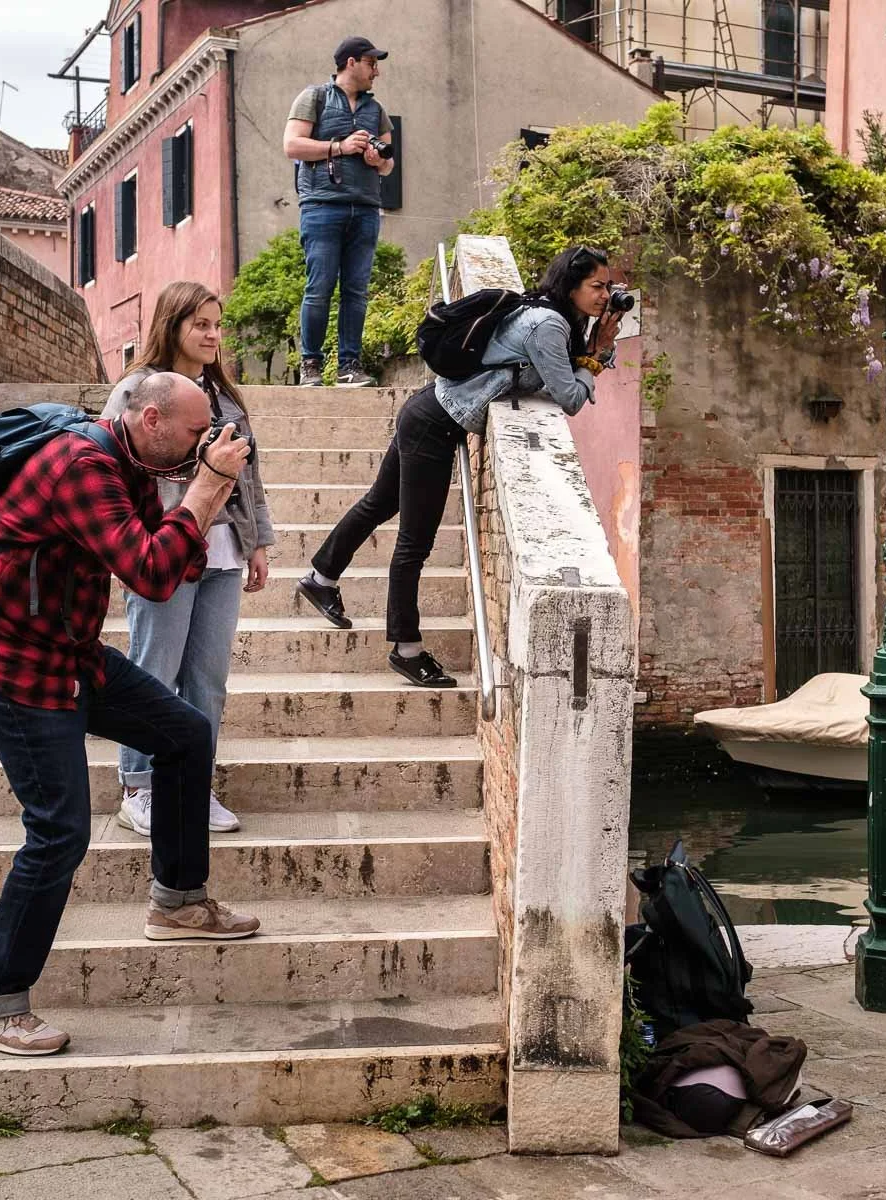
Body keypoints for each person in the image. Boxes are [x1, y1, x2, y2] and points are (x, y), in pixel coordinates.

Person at [0, 370, 259, 1058]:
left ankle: (178, 901)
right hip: (9, 657)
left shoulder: (131, 464)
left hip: (68, 647)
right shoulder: (84, 464)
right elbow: (152, 573)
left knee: (183, 733)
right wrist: (206, 487)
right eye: (193, 428)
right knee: (58, 830)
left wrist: (199, 499)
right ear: (149, 419)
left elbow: (170, 565)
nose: (204, 439)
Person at [295, 244, 621, 687]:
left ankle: (321, 577)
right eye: (596, 286)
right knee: (415, 541)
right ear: (572, 285)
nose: (606, 295)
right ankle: (406, 648)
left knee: (379, 503)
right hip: (435, 424)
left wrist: (590, 344)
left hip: (430, 410)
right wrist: (599, 355)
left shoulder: (551, 314)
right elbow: (570, 398)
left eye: (608, 286)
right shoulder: (547, 324)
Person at [99, 281, 274, 837]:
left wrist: (259, 542)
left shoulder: (225, 397)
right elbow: (108, 465)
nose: (213, 335)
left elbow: (250, 474)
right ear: (173, 324)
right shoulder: (135, 390)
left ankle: (193, 783)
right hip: (161, 552)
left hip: (223, 553)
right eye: (201, 324)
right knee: (155, 669)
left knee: (207, 678)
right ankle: (139, 786)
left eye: (218, 325)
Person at [282, 34, 394, 388]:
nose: (376, 71)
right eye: (371, 63)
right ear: (351, 62)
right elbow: (292, 145)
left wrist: (377, 160)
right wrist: (340, 146)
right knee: (320, 287)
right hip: (321, 205)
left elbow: (389, 164)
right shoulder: (313, 97)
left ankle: (349, 366)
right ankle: (311, 365)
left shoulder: (376, 110)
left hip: (365, 207)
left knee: (356, 291)